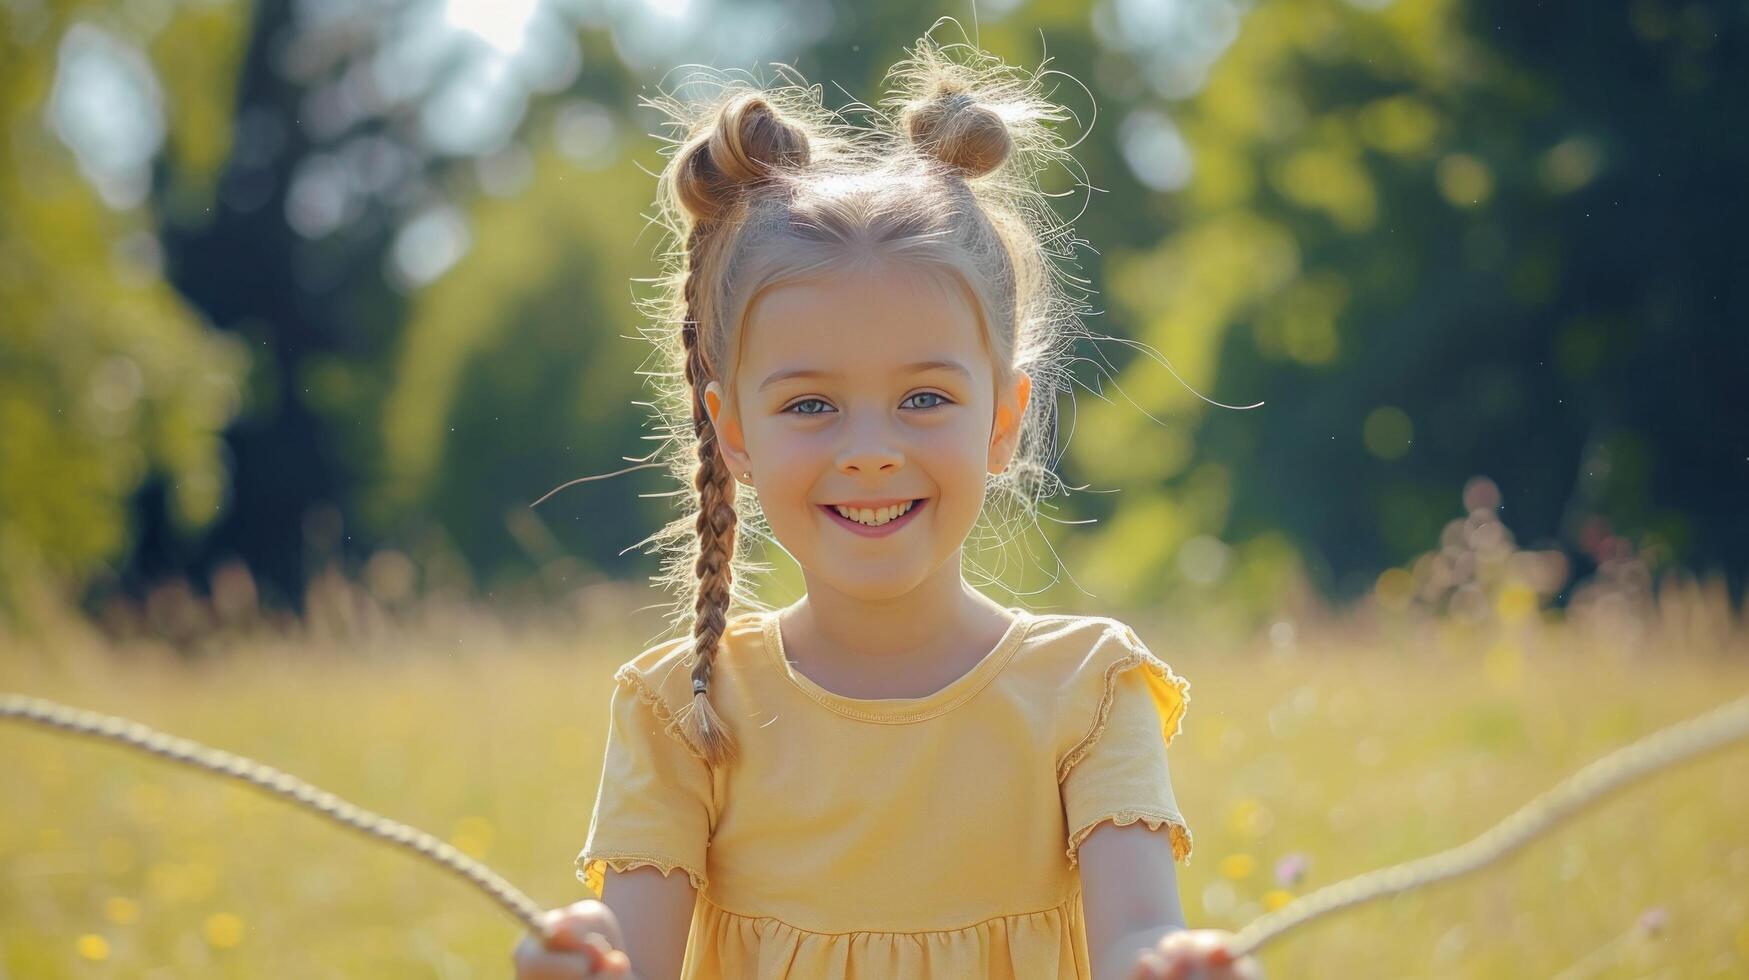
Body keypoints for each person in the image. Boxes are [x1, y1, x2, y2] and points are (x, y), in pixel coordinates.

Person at [513, 25, 1264, 980]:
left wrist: (1175, 965)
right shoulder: (685, 713)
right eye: (811, 405)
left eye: (924, 399)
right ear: (733, 430)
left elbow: (1134, 942)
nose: (870, 452)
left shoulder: (1087, 691)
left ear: (1003, 419)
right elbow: (635, 964)